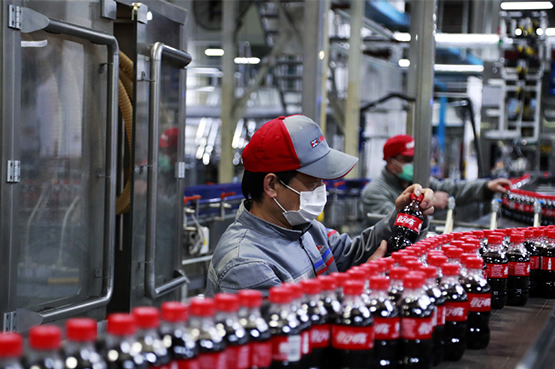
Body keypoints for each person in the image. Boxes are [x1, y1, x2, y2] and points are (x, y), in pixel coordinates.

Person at [205, 115, 435, 295]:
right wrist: (360, 288)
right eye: (313, 182)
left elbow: (354, 254)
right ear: (272, 185)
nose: (321, 189)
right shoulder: (247, 264)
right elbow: (288, 342)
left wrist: (405, 215)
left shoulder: (302, 228)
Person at [361, 134, 512, 216]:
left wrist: (486, 186)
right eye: (407, 160)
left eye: (415, 159)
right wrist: (428, 202)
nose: (413, 165)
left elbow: (452, 189)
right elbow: (392, 221)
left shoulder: (418, 180)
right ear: (389, 162)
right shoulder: (375, 191)